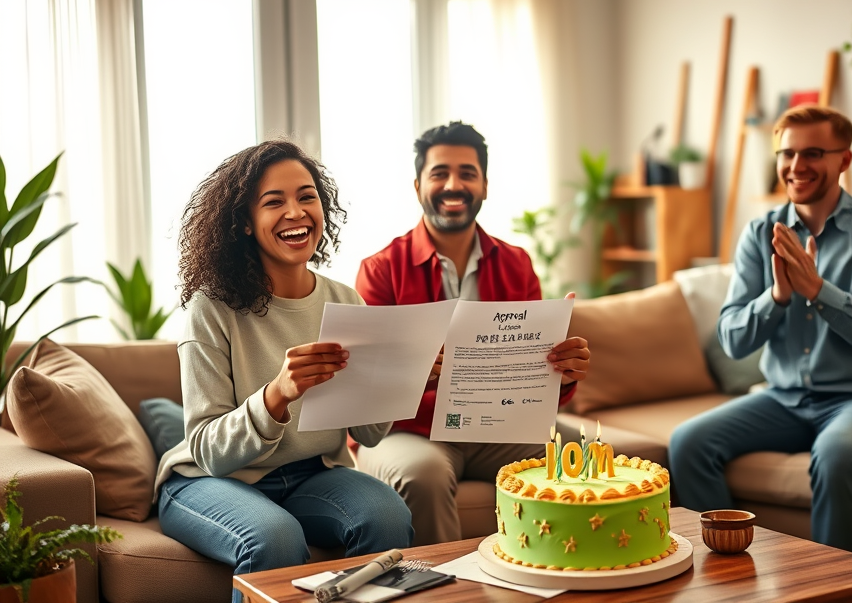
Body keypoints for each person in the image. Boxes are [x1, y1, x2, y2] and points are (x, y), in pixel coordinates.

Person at [154, 140, 413, 603]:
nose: (296, 212)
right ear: (245, 224)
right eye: (274, 202)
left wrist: (402, 379)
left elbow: (369, 433)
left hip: (312, 471)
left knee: (388, 516)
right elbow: (209, 450)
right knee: (274, 537)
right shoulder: (210, 308)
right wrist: (277, 394)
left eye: (307, 196)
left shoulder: (345, 299)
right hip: (208, 480)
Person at [667, 105, 852, 552]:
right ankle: (727, 578)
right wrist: (778, 297)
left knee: (838, 454)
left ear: (843, 160)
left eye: (813, 153)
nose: (796, 166)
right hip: (784, 399)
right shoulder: (759, 232)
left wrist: (818, 290)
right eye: (787, 153)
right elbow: (732, 338)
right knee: (687, 442)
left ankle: (830, 591)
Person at [355, 121, 591, 545]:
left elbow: (533, 384)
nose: (453, 184)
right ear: (417, 186)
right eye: (439, 173)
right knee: (422, 476)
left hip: (497, 428)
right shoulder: (380, 270)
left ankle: (573, 572)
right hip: (408, 432)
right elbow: (365, 385)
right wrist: (415, 372)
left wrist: (562, 375)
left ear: (484, 185)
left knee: (580, 452)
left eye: (467, 173)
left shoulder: (517, 264)